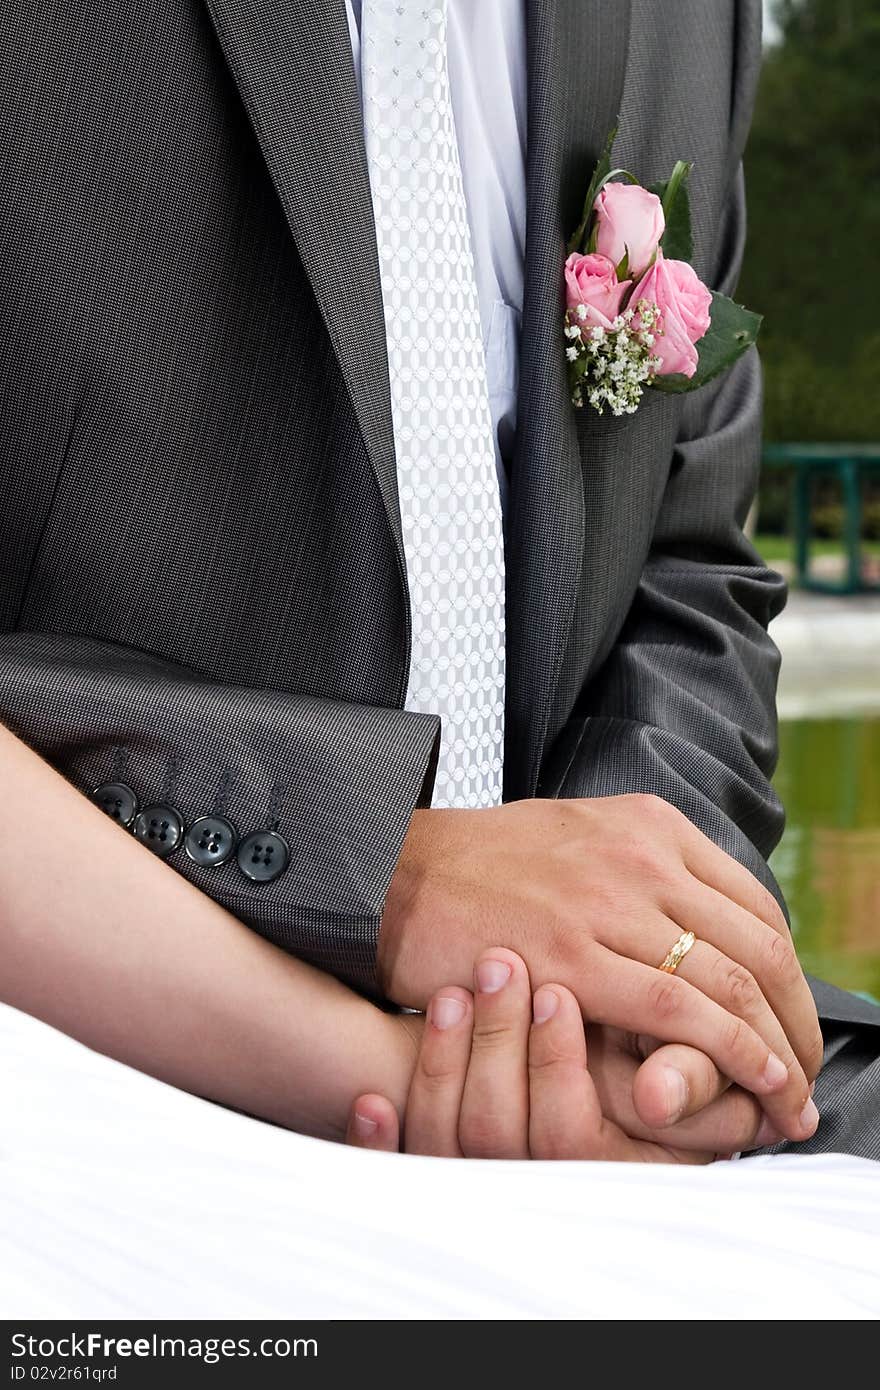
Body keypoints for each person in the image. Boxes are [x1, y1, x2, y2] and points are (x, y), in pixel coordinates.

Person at [1, 0, 877, 1160]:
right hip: (99, 1064)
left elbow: (691, 559)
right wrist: (382, 874)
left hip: (599, 1102)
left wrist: (646, 999)